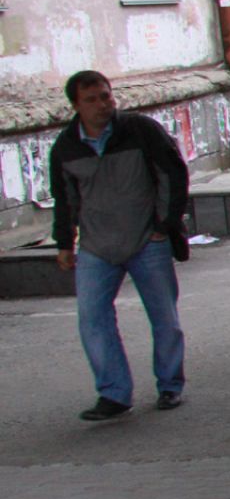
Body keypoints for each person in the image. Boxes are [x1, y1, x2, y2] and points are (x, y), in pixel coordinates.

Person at [50, 70, 191, 420]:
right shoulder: (66, 147)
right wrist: (65, 242)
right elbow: (64, 198)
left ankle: (169, 386)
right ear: (75, 106)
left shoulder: (140, 131)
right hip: (97, 246)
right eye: (92, 99)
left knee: (164, 318)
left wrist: (165, 225)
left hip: (147, 239)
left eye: (106, 96)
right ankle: (114, 394)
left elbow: (172, 175)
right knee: (92, 318)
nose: (103, 105)